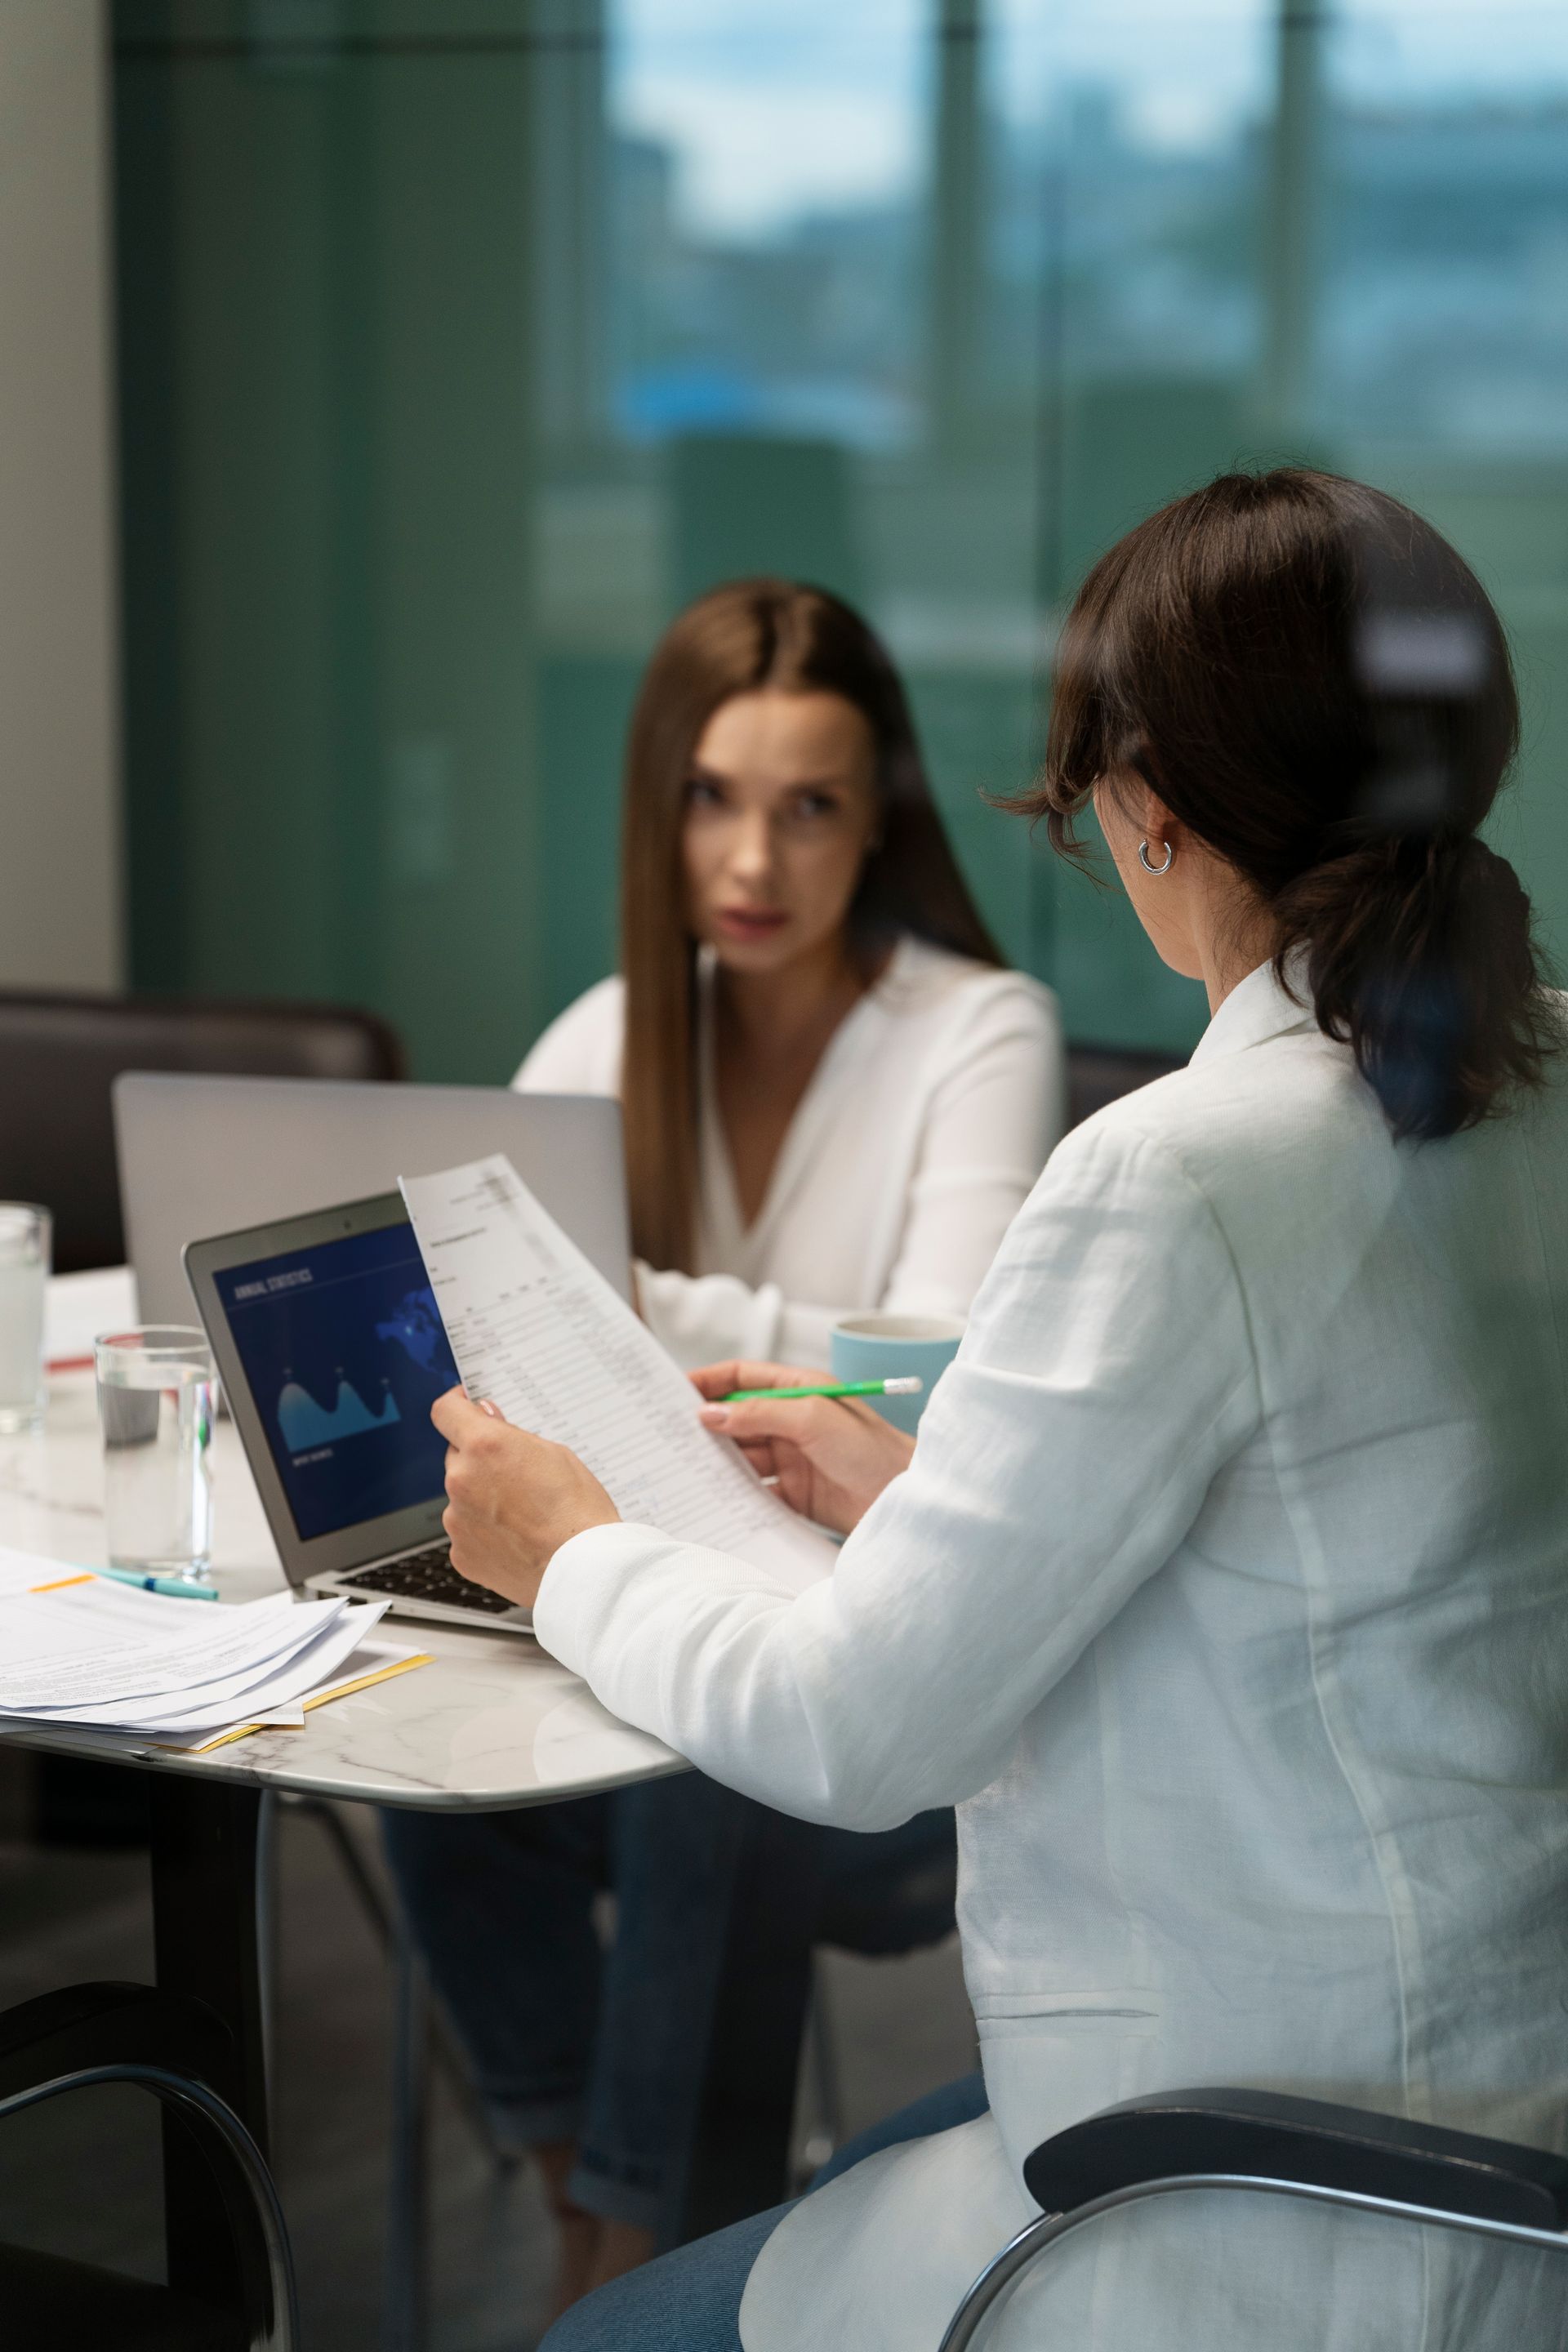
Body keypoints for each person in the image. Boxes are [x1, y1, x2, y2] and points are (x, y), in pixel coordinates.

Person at [431, 469, 1568, 2352]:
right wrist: (940, 1489)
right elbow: (1335, 1554)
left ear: (1143, 810)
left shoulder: (1185, 1174)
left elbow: (849, 1732)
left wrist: (571, 1552)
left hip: (1279, 2181)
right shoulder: (1534, 1077)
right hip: (1503, 2101)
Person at [384, 579, 1063, 2312]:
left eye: (810, 805)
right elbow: (484, 1326)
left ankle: (637, 2269)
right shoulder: (608, 1034)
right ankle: (593, 2223)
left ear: (879, 818)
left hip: (898, 1727)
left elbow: (928, 1389)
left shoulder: (978, 1030)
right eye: (712, 797)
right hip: (649, 1680)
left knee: (715, 1755)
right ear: (659, 810)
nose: (752, 857)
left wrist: (615, 1309)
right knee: (422, 1728)